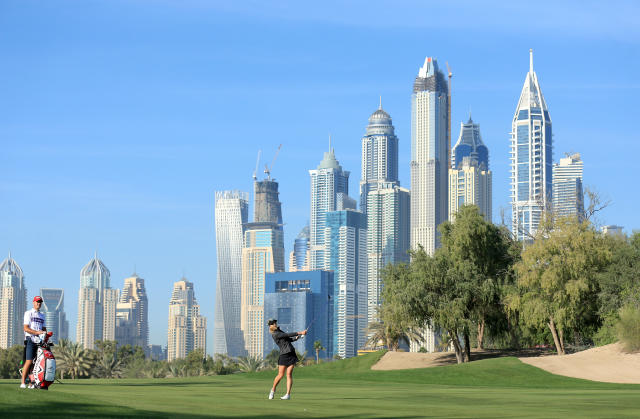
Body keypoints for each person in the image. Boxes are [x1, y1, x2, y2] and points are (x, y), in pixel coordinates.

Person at [267, 319, 306, 400]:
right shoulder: (275, 334)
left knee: (289, 374)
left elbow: (289, 339)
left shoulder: (280, 331)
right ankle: (273, 390)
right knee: (280, 375)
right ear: (270, 326)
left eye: (275, 323)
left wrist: (299, 337)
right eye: (273, 324)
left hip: (291, 353)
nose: (275, 324)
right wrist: (300, 332)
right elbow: (288, 335)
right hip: (284, 355)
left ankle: (288, 394)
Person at [20, 296, 47, 389]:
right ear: (33, 302)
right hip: (30, 339)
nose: (39, 303)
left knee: (36, 363)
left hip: (39, 341)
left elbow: (44, 329)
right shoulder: (29, 313)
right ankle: (23, 382)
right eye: (37, 302)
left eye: (40, 302)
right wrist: (37, 332)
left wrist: (46, 334)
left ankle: (31, 383)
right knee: (29, 361)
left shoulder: (42, 315)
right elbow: (26, 328)